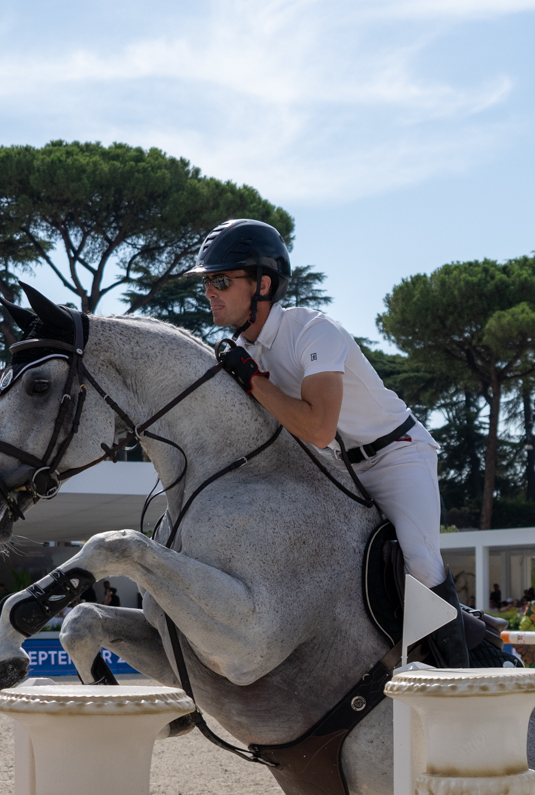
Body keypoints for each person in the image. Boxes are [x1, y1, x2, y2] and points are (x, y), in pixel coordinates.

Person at [194, 219, 469, 666]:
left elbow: (319, 428)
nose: (210, 291)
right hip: (337, 469)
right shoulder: (241, 350)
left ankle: (462, 680)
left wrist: (251, 381)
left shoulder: (312, 331)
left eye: (221, 280)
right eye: (207, 281)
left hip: (396, 456)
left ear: (263, 284)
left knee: (420, 561)